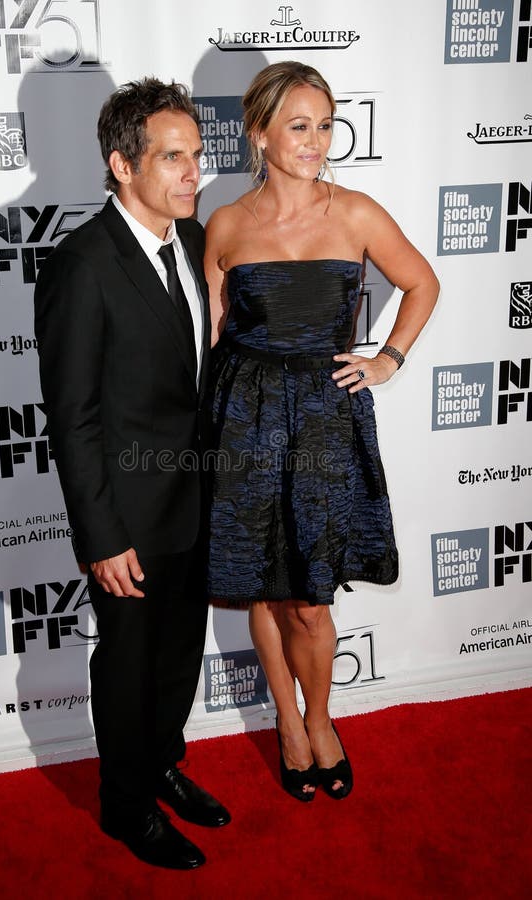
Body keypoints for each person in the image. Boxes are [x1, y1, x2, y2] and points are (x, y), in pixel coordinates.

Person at [205, 62, 439, 802]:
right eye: (299, 125)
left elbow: (422, 281)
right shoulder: (226, 223)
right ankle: (288, 723)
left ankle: (324, 717)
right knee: (265, 589)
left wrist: (388, 359)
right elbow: (215, 335)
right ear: (260, 131)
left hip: (325, 420)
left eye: (325, 124)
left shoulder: (357, 212)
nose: (316, 140)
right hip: (244, 418)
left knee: (311, 596)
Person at [34, 78, 230, 870]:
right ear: (122, 165)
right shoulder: (83, 265)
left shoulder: (192, 239)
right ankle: (124, 809)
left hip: (194, 499)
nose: (193, 172)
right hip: (128, 519)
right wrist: (101, 535)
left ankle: (161, 766)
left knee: (180, 652)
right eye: (173, 157)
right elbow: (72, 414)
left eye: (196, 155)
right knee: (126, 664)